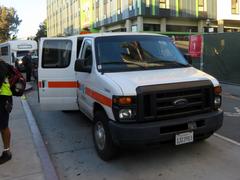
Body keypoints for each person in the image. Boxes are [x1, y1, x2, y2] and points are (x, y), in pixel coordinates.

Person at [0, 59, 13, 164]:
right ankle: (6, 151)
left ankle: (7, 153)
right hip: (4, 98)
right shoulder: (4, 65)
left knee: (4, 126)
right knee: (3, 126)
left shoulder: (1, 66)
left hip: (3, 99)